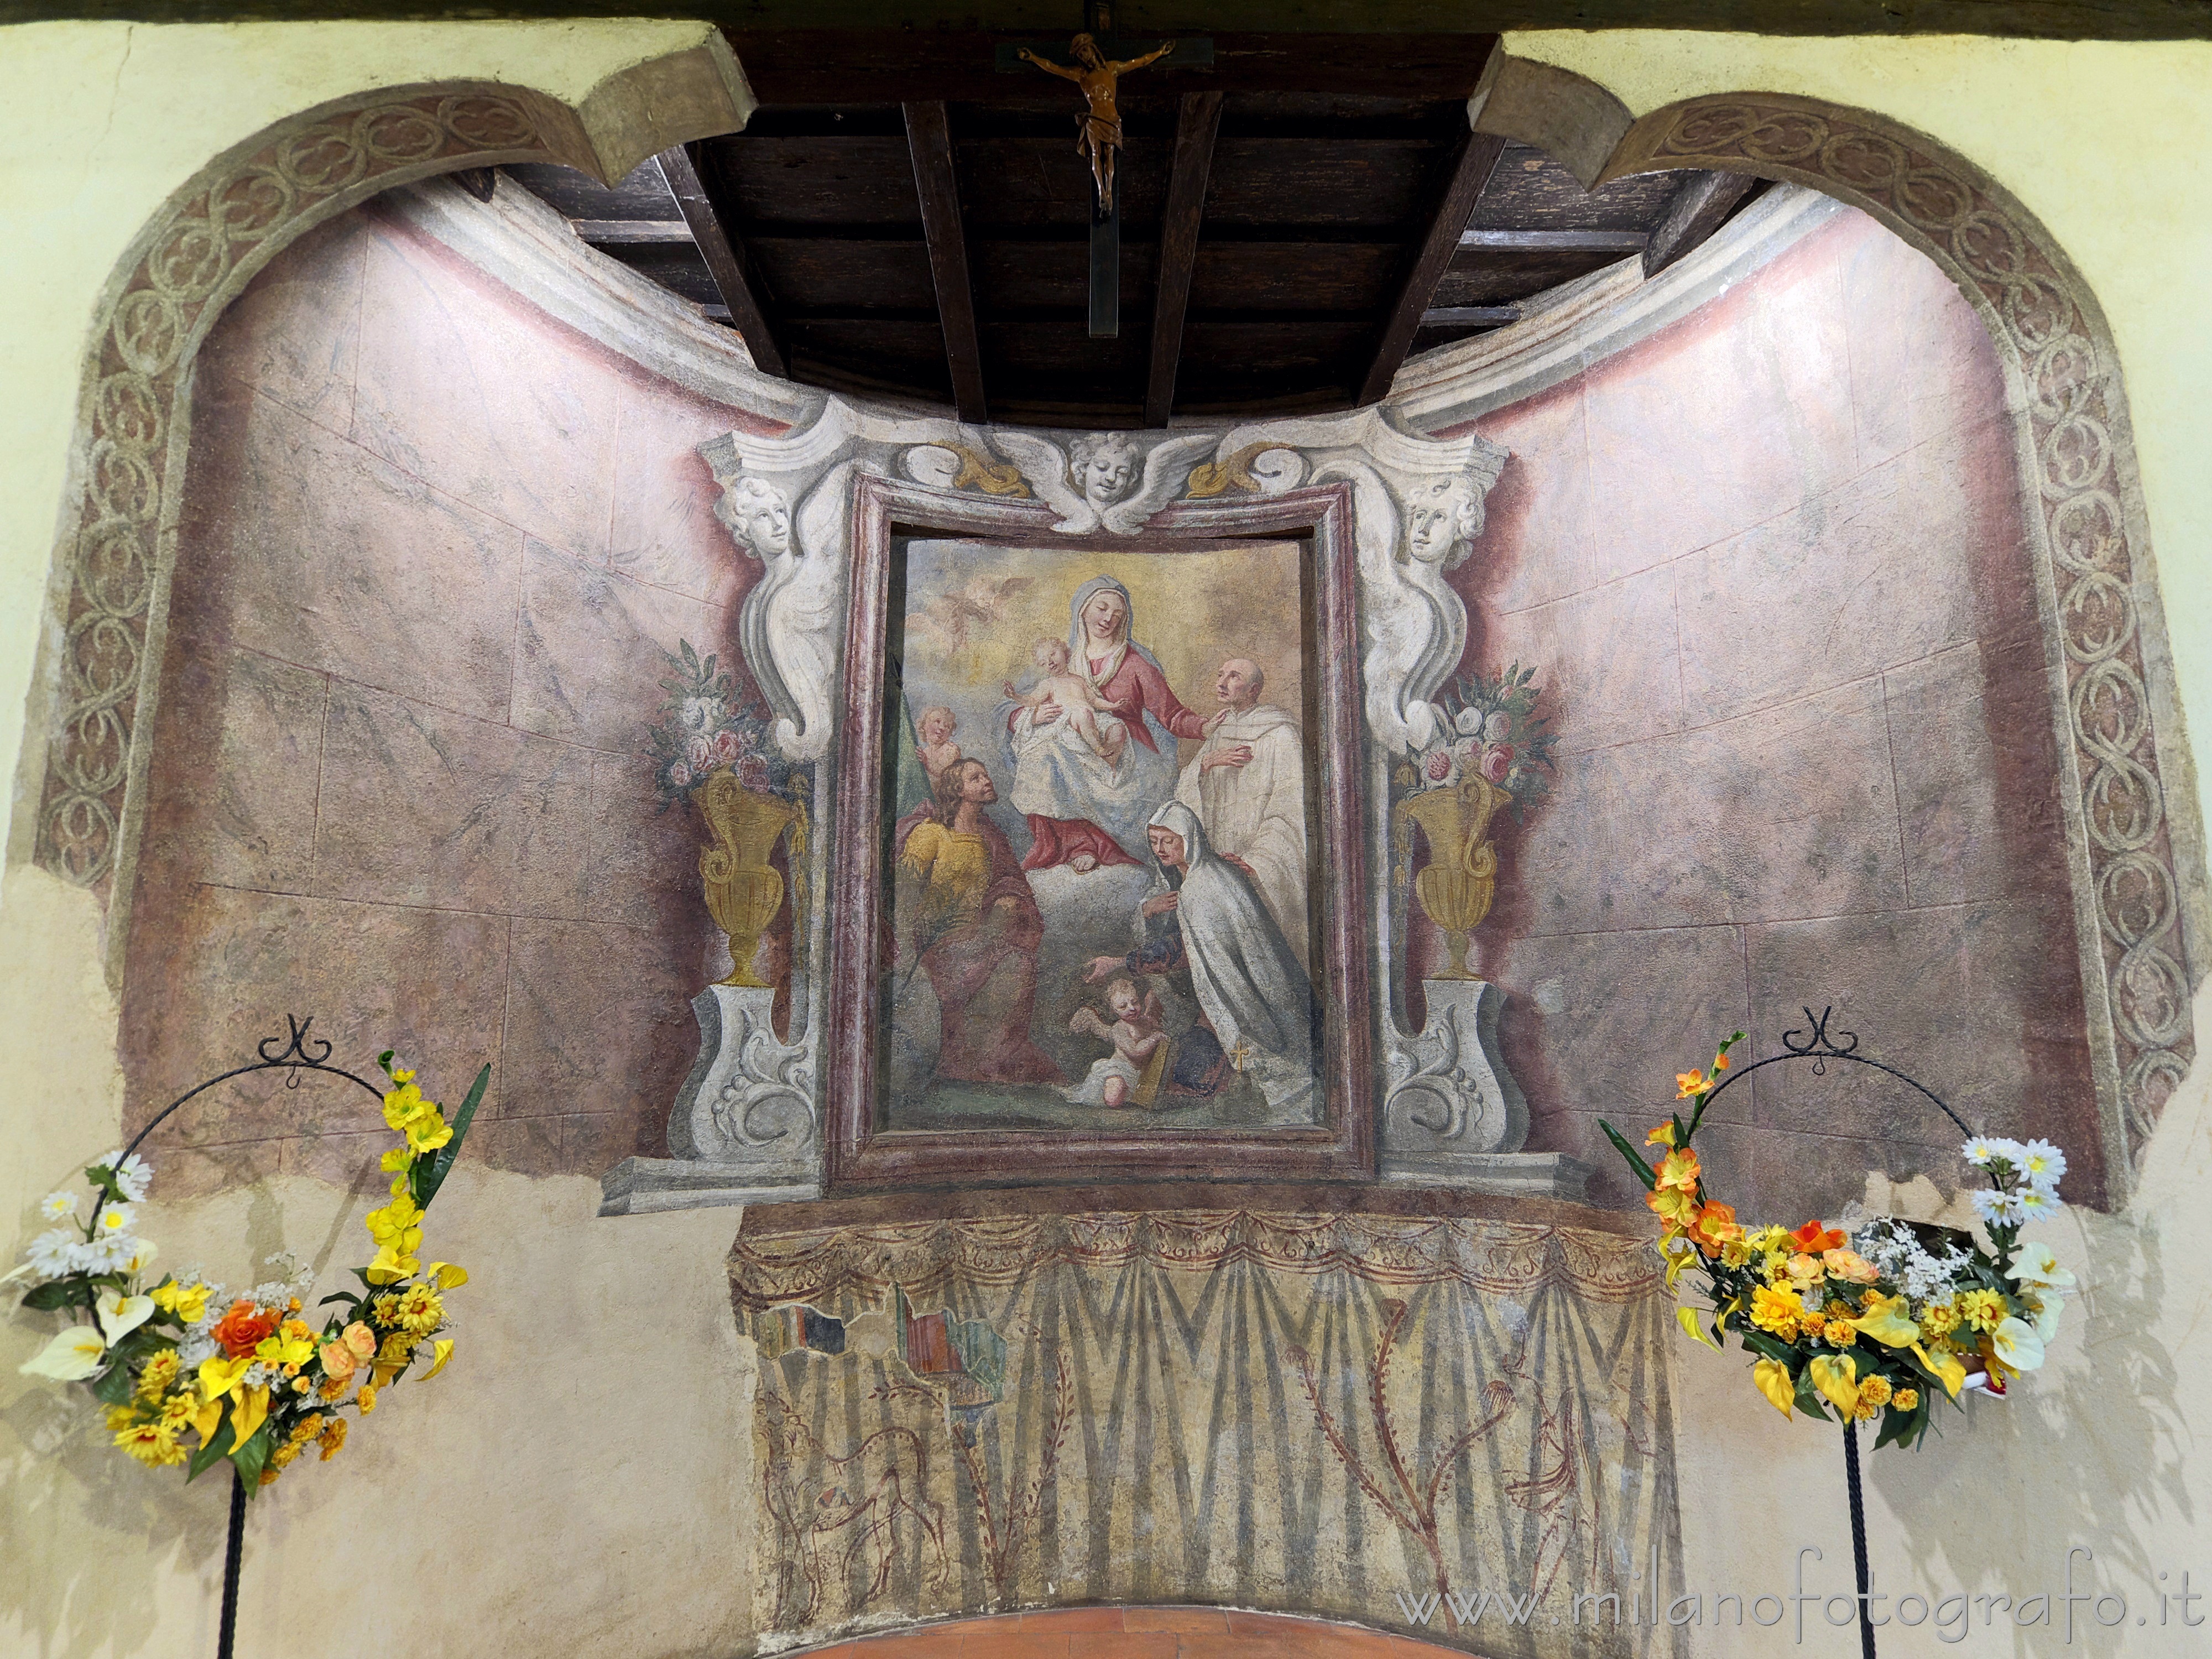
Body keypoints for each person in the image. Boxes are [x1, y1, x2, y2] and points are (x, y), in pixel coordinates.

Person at [1086, 801, 1317, 1112]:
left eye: (1169, 841)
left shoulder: (1201, 886)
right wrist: (1147, 912)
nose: (1160, 849)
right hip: (1211, 991)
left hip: (1235, 992)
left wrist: (1118, 963)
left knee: (1209, 1071)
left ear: (1189, 838)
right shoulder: (1196, 874)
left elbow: (1180, 950)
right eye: (1154, 842)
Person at [1010, 575, 1210, 874]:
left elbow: (1172, 714)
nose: (1108, 619)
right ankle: (1076, 843)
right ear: (1083, 610)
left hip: (1126, 751)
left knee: (1069, 756)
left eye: (1117, 615)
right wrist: (1033, 717)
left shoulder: (1135, 662)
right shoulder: (1061, 659)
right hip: (1073, 742)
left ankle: (1098, 845)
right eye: (1102, 608)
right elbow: (1017, 707)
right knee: (1043, 755)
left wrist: (1206, 728)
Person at [896, 759, 1061, 1086]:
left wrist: (1005, 905)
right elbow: (904, 892)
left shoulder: (990, 838)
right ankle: (964, 1059)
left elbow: (1008, 881)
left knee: (1021, 963)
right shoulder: (931, 834)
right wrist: (903, 946)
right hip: (939, 944)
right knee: (1002, 963)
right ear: (958, 790)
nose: (987, 780)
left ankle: (991, 1056)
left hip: (980, 937)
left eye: (985, 774)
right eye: (976, 778)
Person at [1175, 656, 1311, 969]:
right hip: (1217, 863)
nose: (1221, 683)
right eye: (1220, 674)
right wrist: (1207, 764)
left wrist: (1255, 862)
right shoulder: (1221, 729)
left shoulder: (1281, 734)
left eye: (1233, 677)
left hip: (1257, 864)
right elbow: (1184, 795)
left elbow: (1289, 814)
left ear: (1254, 690)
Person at [1003, 637, 1125, 762]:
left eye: (1052, 654)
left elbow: (1094, 701)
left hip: (1091, 720)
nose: (1050, 662)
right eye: (1043, 662)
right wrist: (1015, 696)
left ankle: (1109, 763)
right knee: (1083, 714)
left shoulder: (1079, 680)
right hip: (1070, 720)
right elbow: (1032, 701)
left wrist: (1113, 706)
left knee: (1118, 728)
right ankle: (1099, 749)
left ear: (1065, 653)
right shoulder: (1049, 684)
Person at [1065, 978, 1168, 1108]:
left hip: (1139, 1073)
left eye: (1134, 1002)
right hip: (1121, 1069)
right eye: (1123, 1006)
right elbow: (1135, 1051)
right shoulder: (1119, 1028)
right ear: (1114, 1011)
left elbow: (1162, 1031)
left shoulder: (1146, 1022)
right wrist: (1155, 1038)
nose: (1132, 1008)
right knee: (1113, 1098)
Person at [914, 705, 962, 784]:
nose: (942, 728)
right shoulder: (925, 752)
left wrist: (926, 763)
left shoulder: (951, 749)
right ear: (924, 725)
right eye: (937, 721)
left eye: (947, 726)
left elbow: (943, 774)